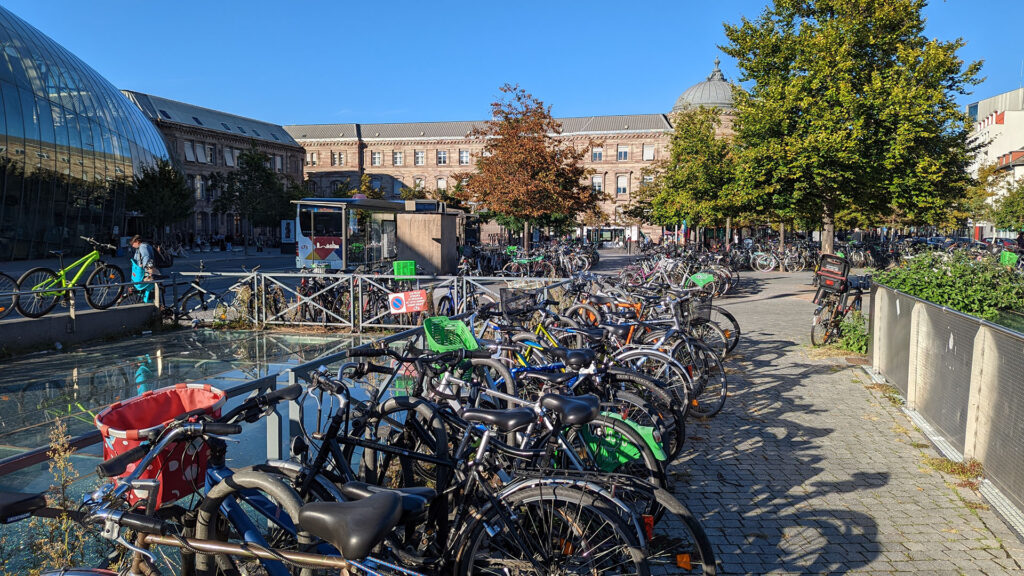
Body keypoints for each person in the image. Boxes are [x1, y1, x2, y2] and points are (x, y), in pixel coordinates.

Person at [129, 235, 158, 303]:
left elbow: (146, 257)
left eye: (133, 243)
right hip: (146, 271)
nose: (132, 246)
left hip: (147, 272)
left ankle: (150, 303)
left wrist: (145, 267)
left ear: (137, 241)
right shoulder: (141, 247)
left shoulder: (143, 246)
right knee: (150, 288)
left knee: (148, 286)